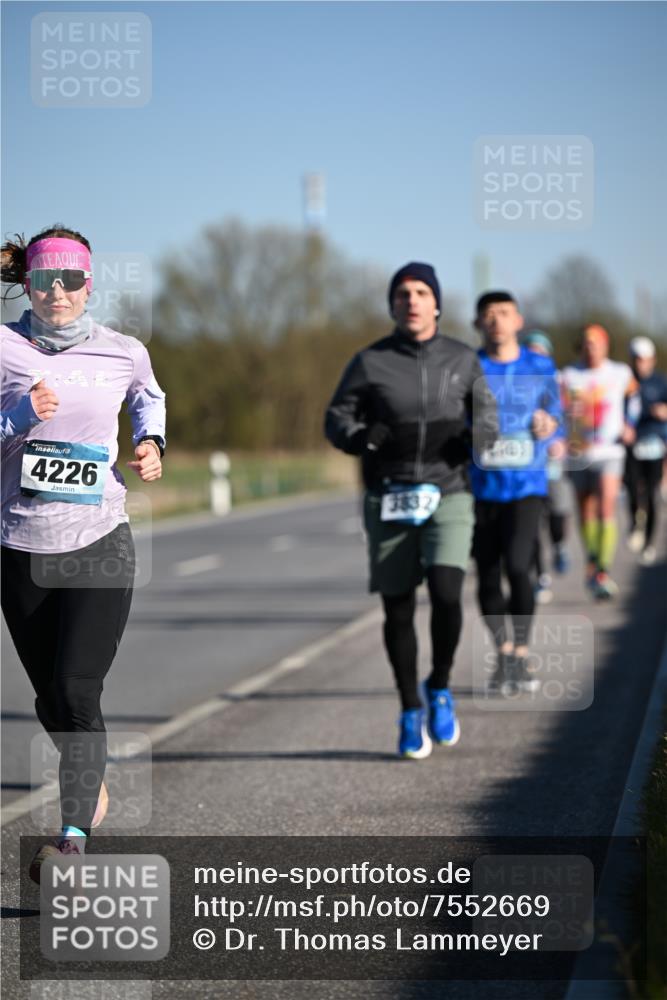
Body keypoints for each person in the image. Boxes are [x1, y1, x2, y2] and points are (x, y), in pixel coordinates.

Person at [1, 226, 166, 881]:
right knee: (51, 699)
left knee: (75, 688)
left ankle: (71, 840)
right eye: (46, 279)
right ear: (28, 283)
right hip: (18, 544)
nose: (59, 291)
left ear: (89, 284)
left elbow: (148, 399)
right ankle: (88, 779)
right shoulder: (4, 348)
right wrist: (18, 415)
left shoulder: (122, 351)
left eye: (71, 280)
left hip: (99, 540)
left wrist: (152, 443)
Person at [325, 262, 497, 759]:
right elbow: (336, 418)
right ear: (392, 305)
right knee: (397, 607)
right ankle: (408, 707)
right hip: (390, 493)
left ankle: (439, 685)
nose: (412, 300)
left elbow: (488, 416)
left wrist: (476, 439)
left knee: (446, 592)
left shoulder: (463, 359)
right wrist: (360, 436)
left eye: (422, 292)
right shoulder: (370, 361)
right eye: (403, 294)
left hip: (449, 490)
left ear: (437, 303)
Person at [471, 293, 562, 695]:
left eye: (504, 313)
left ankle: (522, 652)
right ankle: (504, 654)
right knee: (488, 574)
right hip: (481, 486)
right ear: (478, 324)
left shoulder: (540, 366)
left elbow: (556, 414)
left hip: (527, 484)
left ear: (518, 320)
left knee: (519, 565)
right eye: (488, 315)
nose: (496, 321)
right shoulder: (468, 366)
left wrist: (549, 424)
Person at [560, 324, 639, 598]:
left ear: (605, 346)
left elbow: (634, 398)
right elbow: (557, 407)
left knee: (606, 505)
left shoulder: (620, 372)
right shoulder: (568, 375)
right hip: (579, 452)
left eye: (596, 343)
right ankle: (592, 559)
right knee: (585, 511)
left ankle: (602, 570)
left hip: (610, 451)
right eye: (587, 343)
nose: (591, 348)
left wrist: (629, 424)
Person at [522, 330, 574, 604]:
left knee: (556, 511)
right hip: (526, 462)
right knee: (530, 523)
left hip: (551, 458)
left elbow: (568, 417)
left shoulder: (557, 382)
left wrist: (560, 441)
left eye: (540, 352)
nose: (535, 357)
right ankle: (541, 576)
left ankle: (559, 544)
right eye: (530, 351)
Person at [624, 336, 667, 565]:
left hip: (655, 444)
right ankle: (635, 523)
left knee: (651, 494)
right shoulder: (624, 381)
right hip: (631, 445)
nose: (641, 364)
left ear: (652, 360)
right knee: (632, 488)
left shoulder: (660, 382)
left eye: (645, 359)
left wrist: (664, 411)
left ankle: (649, 543)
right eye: (637, 359)